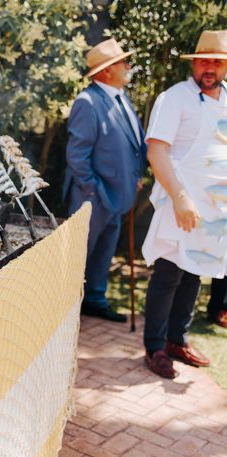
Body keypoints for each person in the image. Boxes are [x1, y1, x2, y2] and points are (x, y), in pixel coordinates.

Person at [141, 30, 227, 378]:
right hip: (179, 200)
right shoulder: (174, 98)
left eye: (217, 61)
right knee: (169, 273)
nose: (210, 67)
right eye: (204, 60)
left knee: (194, 272)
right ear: (194, 63)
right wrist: (179, 196)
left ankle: (178, 339)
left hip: (214, 208)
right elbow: (156, 150)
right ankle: (155, 347)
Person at [63, 38, 146, 322]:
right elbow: (77, 155)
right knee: (79, 255)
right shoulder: (88, 101)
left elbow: (132, 144)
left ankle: (95, 300)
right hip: (94, 196)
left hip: (118, 194)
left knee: (103, 254)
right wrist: (94, 189)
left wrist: (135, 175)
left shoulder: (120, 98)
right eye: (124, 62)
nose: (128, 67)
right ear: (107, 70)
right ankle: (65, 309)